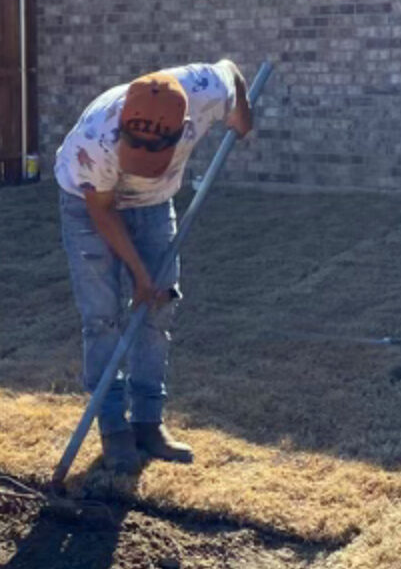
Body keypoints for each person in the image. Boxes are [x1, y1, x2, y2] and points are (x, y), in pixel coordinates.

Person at [55, 60, 254, 474]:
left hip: (154, 203)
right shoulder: (94, 142)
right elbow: (104, 214)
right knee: (102, 317)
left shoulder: (204, 90)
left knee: (159, 308)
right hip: (88, 202)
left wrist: (243, 113)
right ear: (123, 126)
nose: (141, 156)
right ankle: (113, 428)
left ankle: (148, 423)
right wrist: (140, 276)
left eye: (153, 153)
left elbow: (230, 70)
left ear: (183, 128)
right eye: (135, 149)